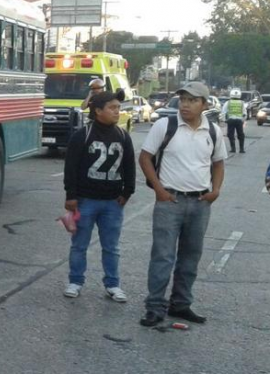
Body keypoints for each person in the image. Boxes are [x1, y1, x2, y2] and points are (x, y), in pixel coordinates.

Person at [138, 81, 226, 327]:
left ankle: (181, 304)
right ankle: (155, 307)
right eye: (183, 99)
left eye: (192, 100)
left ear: (204, 104)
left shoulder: (213, 131)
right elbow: (145, 158)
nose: (185, 105)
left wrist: (215, 191)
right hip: (170, 201)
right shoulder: (165, 125)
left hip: (200, 202)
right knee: (163, 256)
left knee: (191, 256)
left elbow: (218, 163)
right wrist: (159, 189)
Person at [62, 90, 135, 302]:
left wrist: (127, 192)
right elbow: (71, 167)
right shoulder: (82, 135)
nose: (117, 112)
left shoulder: (123, 136)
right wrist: (71, 195)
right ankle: (75, 281)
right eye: (112, 108)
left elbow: (129, 165)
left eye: (118, 108)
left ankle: (113, 285)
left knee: (111, 247)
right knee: (79, 244)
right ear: (98, 111)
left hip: (113, 203)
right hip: (85, 201)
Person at [222, 88, 246, 153]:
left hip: (230, 120)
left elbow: (223, 112)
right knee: (241, 134)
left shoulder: (228, 102)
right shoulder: (242, 103)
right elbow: (244, 113)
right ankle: (241, 149)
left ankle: (233, 149)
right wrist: (243, 120)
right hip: (239, 121)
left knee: (230, 134)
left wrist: (224, 120)